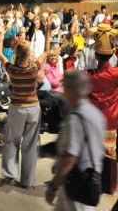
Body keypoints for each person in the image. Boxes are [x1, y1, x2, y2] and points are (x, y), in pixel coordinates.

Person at [0, 24, 50, 188]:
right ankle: (27, 181)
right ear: (28, 53)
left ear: (16, 53)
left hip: (17, 108)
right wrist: (47, 32)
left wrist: (0, 35)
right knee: (30, 143)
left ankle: (10, 175)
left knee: (12, 141)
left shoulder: (11, 69)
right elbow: (47, 51)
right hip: (33, 107)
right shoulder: (34, 68)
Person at [45, 70, 105, 210]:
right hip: (91, 179)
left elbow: (69, 159)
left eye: (65, 87)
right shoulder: (96, 114)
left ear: (71, 90)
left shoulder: (75, 119)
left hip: (76, 185)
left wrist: (53, 187)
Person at [87, 23, 118, 194]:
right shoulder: (115, 74)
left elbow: (69, 72)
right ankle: (110, 186)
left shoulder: (88, 75)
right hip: (112, 120)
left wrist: (70, 56)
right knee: (110, 155)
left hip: (94, 122)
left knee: (94, 154)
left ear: (96, 55)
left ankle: (94, 185)